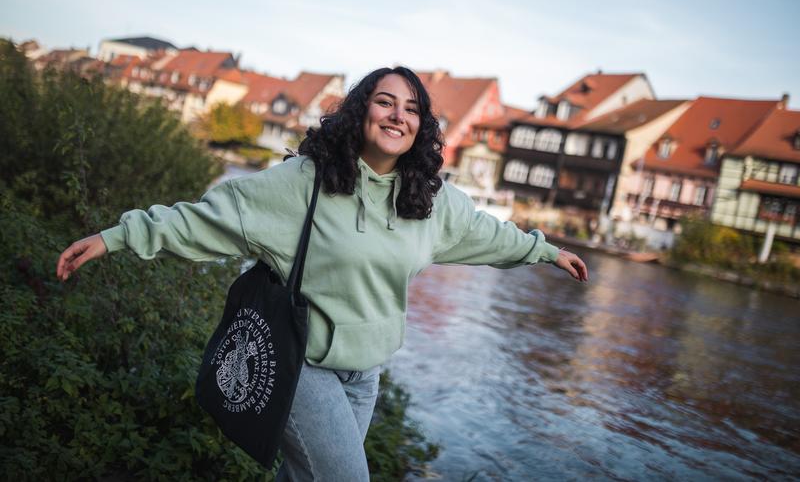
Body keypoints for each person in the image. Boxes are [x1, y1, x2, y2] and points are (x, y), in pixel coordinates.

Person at [56, 66, 588, 481]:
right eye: (384, 102)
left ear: (421, 126)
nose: (397, 115)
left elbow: (486, 232)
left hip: (365, 376)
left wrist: (544, 252)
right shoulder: (306, 181)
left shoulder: (431, 200)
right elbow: (211, 217)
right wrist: (118, 236)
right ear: (360, 111)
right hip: (301, 363)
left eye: (410, 108)